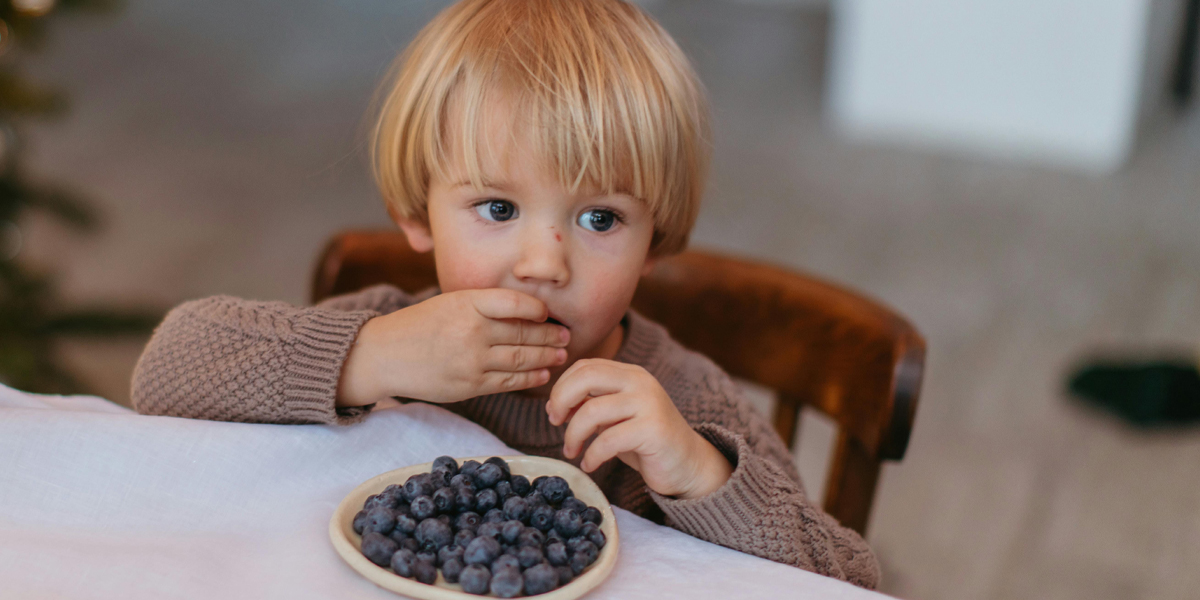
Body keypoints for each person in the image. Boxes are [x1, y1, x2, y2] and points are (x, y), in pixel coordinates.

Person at [130, 0, 880, 588]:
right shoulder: (388, 331)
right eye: (497, 208)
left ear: (657, 240)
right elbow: (165, 372)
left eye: (599, 218)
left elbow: (846, 579)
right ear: (419, 215)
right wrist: (372, 357)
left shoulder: (683, 402)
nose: (543, 264)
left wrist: (696, 471)